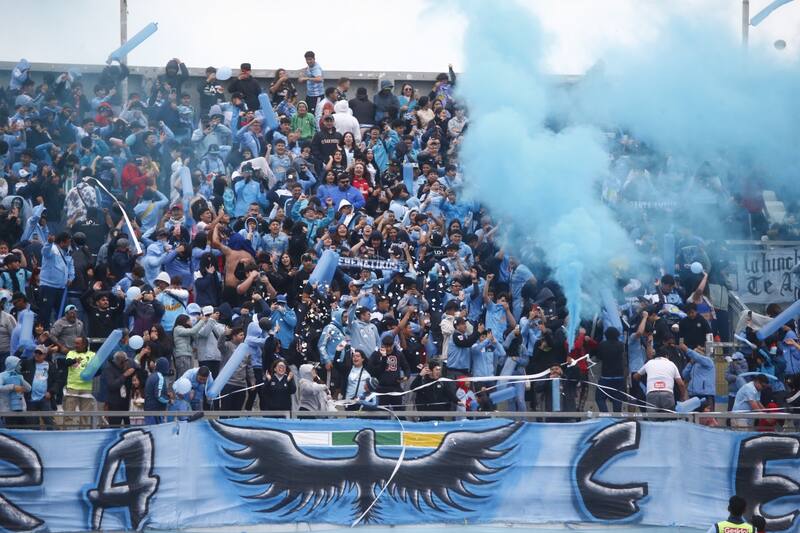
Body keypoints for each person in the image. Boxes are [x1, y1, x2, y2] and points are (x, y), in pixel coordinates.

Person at [633, 345, 688, 413]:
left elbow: (636, 376)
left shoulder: (649, 363)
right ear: (667, 356)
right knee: (669, 420)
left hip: (651, 393)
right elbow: (681, 384)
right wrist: (682, 397)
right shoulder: (671, 364)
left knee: (652, 420)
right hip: (667, 394)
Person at [63, 336, 96, 428]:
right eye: (75, 343)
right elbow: (66, 363)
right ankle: (67, 432)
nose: (75, 345)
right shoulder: (71, 353)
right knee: (69, 412)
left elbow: (97, 370)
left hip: (86, 387)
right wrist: (75, 360)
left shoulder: (92, 355)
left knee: (85, 414)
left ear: (84, 344)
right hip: (72, 387)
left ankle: (84, 432)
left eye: (77, 343)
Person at [20, 345, 57, 427]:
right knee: (32, 424)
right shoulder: (27, 363)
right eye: (36, 352)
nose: (37, 354)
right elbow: (16, 368)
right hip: (30, 398)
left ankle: (54, 438)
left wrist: (51, 392)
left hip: (45, 398)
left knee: (49, 422)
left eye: (40, 353)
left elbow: (56, 381)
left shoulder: (50, 365)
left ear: (45, 355)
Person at [102, 351, 135, 427]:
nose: (127, 363)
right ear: (120, 362)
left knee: (128, 426)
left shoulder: (127, 367)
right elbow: (112, 385)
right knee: (115, 425)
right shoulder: (109, 369)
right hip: (114, 403)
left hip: (126, 402)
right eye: (125, 362)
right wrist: (124, 375)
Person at [0, 355, 31, 427]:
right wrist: (13, 387)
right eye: (18, 365)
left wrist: (21, 379)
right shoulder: (1, 375)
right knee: (11, 432)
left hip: (21, 409)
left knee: (22, 431)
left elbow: (29, 389)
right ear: (12, 365)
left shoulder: (19, 376)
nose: (20, 367)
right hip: (7, 410)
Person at [144, 356, 171, 425]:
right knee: (156, 433)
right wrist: (169, 400)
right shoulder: (160, 377)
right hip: (155, 412)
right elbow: (159, 396)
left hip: (148, 410)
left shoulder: (151, 376)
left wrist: (166, 394)